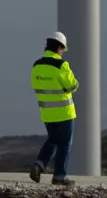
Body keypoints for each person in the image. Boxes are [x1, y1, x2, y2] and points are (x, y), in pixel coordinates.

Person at [28, 32, 78, 187]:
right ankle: (59, 176)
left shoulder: (37, 65)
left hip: (47, 112)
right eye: (63, 49)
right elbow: (72, 85)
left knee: (53, 140)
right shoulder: (61, 65)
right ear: (59, 47)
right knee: (64, 144)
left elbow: (35, 85)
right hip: (64, 112)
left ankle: (39, 163)